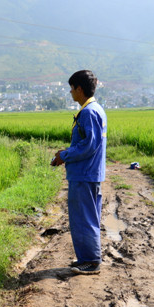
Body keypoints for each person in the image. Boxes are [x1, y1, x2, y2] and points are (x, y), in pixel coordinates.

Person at [51, 70, 107, 275]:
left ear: (79, 89)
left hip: (85, 174)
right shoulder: (94, 109)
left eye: (72, 88)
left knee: (83, 218)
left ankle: (91, 261)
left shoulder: (89, 112)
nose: (70, 92)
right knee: (87, 216)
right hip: (88, 173)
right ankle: (87, 258)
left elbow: (89, 145)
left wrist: (64, 155)